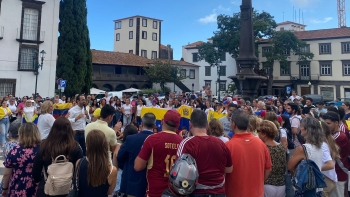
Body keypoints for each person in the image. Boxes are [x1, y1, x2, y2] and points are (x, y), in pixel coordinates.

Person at [177, 110, 233, 196]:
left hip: (196, 192)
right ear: (207, 125)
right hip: (219, 192)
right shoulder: (221, 143)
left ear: (190, 125)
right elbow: (229, 169)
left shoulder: (187, 143)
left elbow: (179, 170)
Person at [134, 110, 184, 197]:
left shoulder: (152, 139)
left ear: (162, 121)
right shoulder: (183, 143)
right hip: (176, 192)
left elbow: (138, 166)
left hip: (155, 192)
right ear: (178, 125)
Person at [225, 109, 272, 197]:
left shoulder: (228, 146)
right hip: (257, 193)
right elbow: (268, 169)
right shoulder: (261, 144)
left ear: (233, 124)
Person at [33, 117, 84, 197]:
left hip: (49, 186)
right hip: (68, 187)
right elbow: (80, 168)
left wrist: (39, 181)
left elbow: (36, 169)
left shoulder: (45, 146)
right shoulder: (75, 146)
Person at [288, 117, 334, 197]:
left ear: (307, 129)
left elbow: (289, 166)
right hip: (317, 186)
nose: (300, 127)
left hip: (305, 186)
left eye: (301, 126)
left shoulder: (303, 148)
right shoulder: (320, 145)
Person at [117, 113, 156, 197]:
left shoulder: (131, 139)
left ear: (142, 124)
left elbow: (120, 157)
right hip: (151, 185)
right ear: (154, 125)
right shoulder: (158, 141)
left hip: (132, 183)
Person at [2, 123, 41, 197]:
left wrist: (5, 188)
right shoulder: (41, 149)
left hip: (17, 186)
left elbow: (7, 173)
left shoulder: (15, 150)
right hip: (36, 186)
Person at [77, 130, 117, 197]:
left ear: (87, 145)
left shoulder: (79, 163)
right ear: (104, 145)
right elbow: (110, 192)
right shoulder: (112, 170)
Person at [323, 112, 350, 197]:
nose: (326, 126)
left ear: (336, 123)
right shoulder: (333, 134)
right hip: (335, 172)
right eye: (325, 124)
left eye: (328, 123)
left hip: (339, 172)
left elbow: (325, 146)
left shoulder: (339, 136)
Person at [257, 120, 286, 197]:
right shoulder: (281, 147)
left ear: (264, 134)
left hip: (267, 184)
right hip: (281, 184)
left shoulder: (263, 148)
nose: (257, 133)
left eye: (258, 131)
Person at [112, 125, 138, 196]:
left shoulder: (119, 147)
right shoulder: (138, 148)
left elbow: (115, 166)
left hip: (120, 176)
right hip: (133, 177)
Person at [320, 121, 340, 197]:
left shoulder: (322, 145)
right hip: (329, 179)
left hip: (326, 180)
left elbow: (330, 165)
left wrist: (313, 168)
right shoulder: (327, 142)